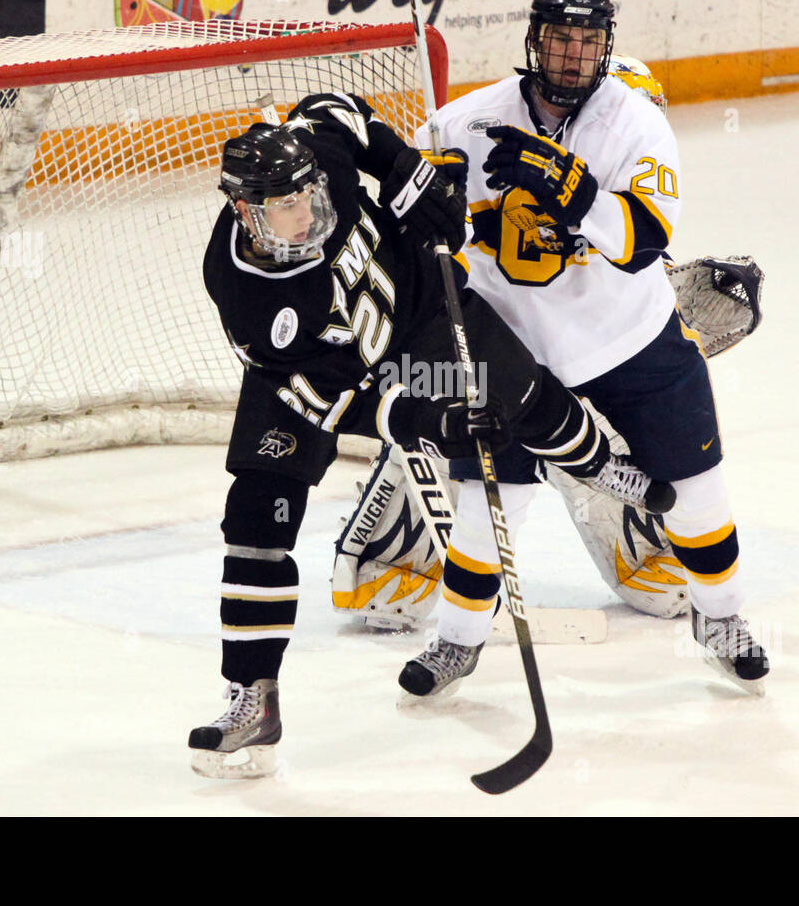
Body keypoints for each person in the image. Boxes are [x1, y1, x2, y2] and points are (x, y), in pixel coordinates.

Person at [189, 91, 673, 778]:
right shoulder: (250, 299)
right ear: (245, 211)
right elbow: (336, 404)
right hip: (314, 382)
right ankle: (252, 697)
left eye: (311, 198)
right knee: (255, 523)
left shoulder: (314, 154)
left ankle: (596, 462)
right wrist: (423, 421)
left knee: (526, 397)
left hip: (420, 307)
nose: (308, 217)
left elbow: (341, 111)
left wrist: (410, 177)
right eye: (286, 209)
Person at [397, 0, 770, 699]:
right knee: (486, 508)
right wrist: (426, 207)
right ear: (534, 38)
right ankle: (458, 640)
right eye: (562, 37)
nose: (574, 54)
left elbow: (643, 239)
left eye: (589, 40)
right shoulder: (462, 124)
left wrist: (570, 189)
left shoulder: (636, 125)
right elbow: (402, 225)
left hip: (629, 341)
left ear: (607, 48)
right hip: (512, 355)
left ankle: (721, 620)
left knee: (698, 497)